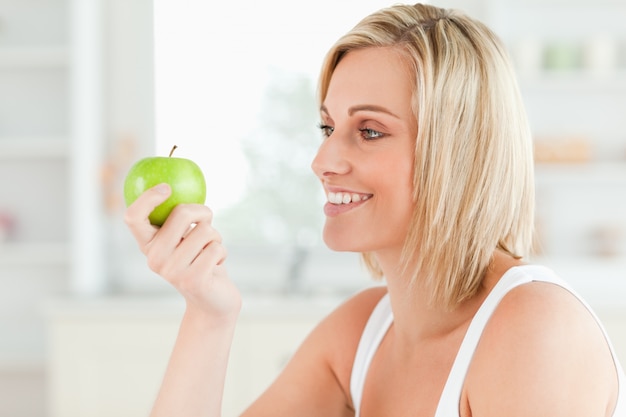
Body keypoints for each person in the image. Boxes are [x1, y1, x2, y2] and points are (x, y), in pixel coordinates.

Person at [125, 3, 625, 416]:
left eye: (369, 131)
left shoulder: (535, 328)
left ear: (457, 152)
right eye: (327, 128)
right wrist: (209, 313)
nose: (322, 161)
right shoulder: (361, 334)